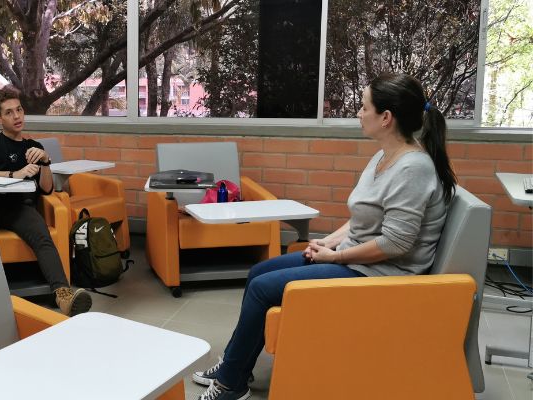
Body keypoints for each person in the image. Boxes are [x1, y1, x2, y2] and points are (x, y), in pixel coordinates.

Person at [192, 72, 457, 400]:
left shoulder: (413, 169)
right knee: (259, 272)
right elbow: (364, 216)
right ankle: (235, 368)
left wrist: (336, 256)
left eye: (363, 108)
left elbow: (396, 243)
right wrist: (329, 241)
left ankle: (231, 384)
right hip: (357, 259)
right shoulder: (384, 155)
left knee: (262, 289)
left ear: (386, 118)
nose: (358, 114)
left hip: (384, 274)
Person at [0, 89, 92, 316]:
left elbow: (46, 188)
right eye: (9, 112)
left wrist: (45, 161)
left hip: (19, 206)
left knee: (42, 237)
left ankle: (64, 296)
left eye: (19, 110)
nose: (16, 116)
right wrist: (16, 174)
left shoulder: (33, 147)